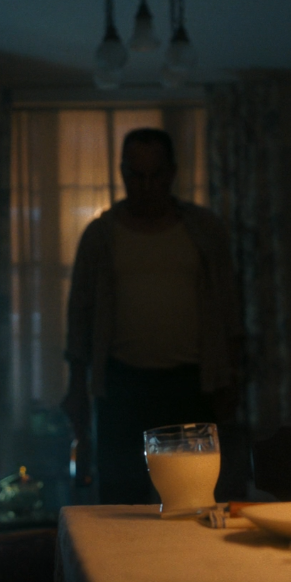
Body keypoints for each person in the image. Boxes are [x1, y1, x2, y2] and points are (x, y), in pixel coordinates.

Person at [61, 128, 244, 504]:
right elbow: (79, 315)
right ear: (122, 173)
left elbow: (228, 307)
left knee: (192, 499)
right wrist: (77, 387)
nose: (145, 187)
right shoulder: (101, 235)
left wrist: (231, 378)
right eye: (136, 175)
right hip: (122, 385)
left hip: (190, 385)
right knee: (120, 501)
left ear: (171, 173)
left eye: (155, 175)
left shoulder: (204, 231)